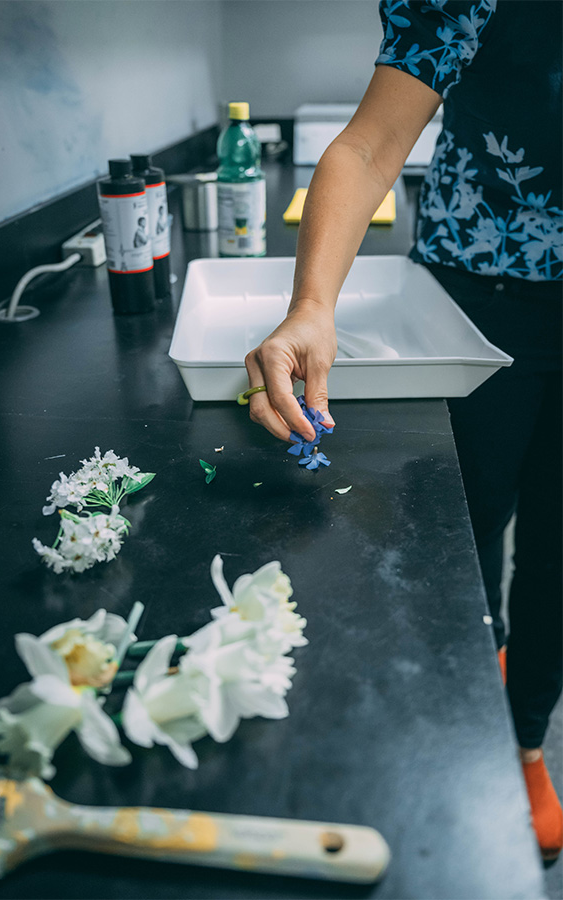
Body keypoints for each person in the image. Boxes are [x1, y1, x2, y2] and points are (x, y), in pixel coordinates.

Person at [245, 0, 562, 860]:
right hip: (477, 296)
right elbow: (368, 145)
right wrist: (312, 306)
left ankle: (525, 739)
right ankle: (473, 694)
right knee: (461, 532)